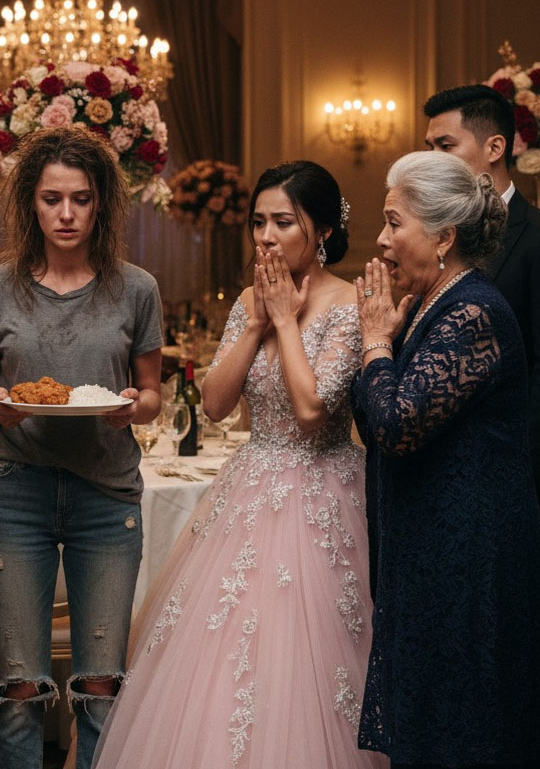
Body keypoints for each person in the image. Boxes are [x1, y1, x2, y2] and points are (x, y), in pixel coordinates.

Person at [92, 161, 386, 769]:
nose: (266, 237)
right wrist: (256, 321)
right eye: (258, 222)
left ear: (323, 231)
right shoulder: (251, 301)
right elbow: (216, 404)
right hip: (250, 486)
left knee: (311, 654)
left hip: (324, 492)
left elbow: (311, 410)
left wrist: (286, 320)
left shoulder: (349, 304)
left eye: (284, 222)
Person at [0, 125, 163, 769]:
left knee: (101, 685)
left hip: (106, 496)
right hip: (16, 493)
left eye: (81, 199)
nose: (67, 214)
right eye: (52, 199)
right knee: (19, 688)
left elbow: (151, 395)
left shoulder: (137, 288)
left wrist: (131, 407)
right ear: (31, 203)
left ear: (101, 203)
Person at [352, 151, 540, 769]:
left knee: (461, 732)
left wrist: (375, 343)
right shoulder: (429, 306)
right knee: (426, 725)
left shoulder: (475, 311)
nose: (381, 240)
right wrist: (384, 340)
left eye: (394, 222)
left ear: (443, 237)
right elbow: (372, 419)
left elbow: (395, 426)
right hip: (427, 548)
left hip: (467, 558)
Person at [424, 84, 540, 494]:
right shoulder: (432, 238)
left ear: (495, 147)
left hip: (509, 469)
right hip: (434, 464)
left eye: (445, 146)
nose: (432, 159)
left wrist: (516, 463)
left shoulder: (535, 237)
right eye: (428, 147)